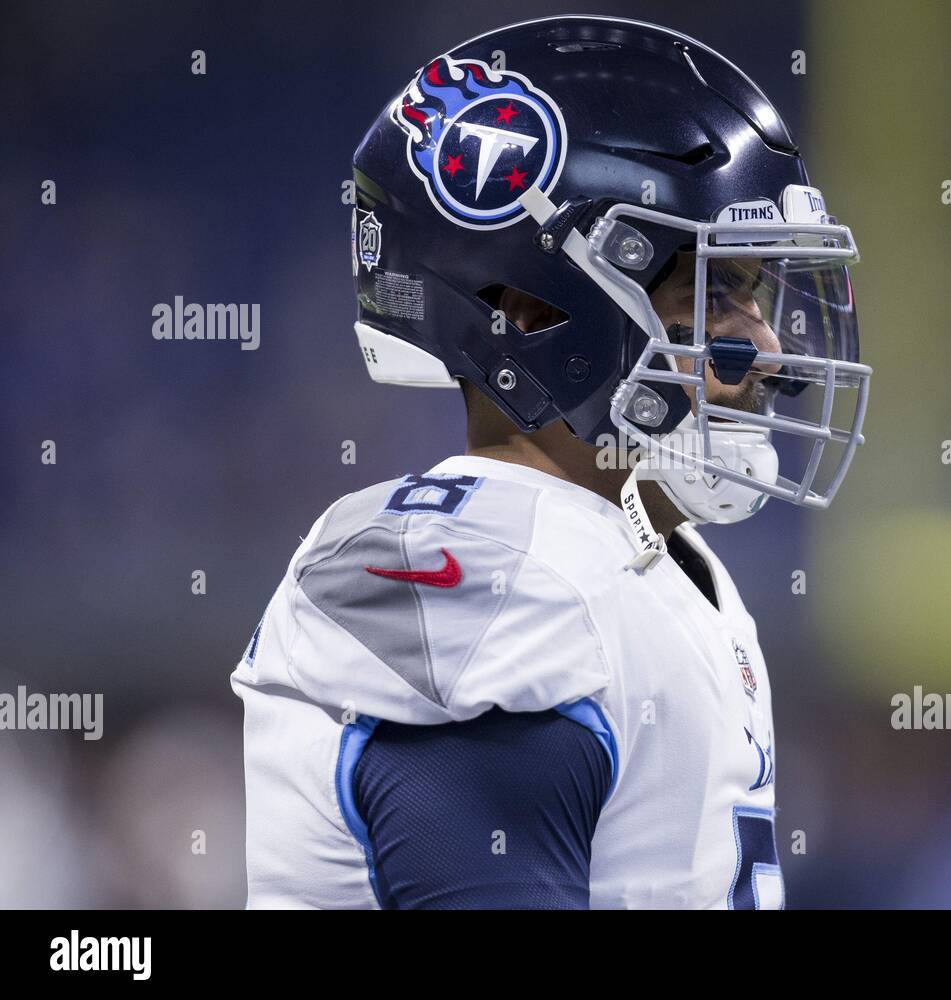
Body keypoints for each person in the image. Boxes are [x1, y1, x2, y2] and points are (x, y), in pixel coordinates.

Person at [232, 14, 871, 909]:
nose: (765, 349)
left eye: (759, 294)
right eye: (717, 292)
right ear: (532, 310)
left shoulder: (653, 568)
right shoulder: (488, 575)